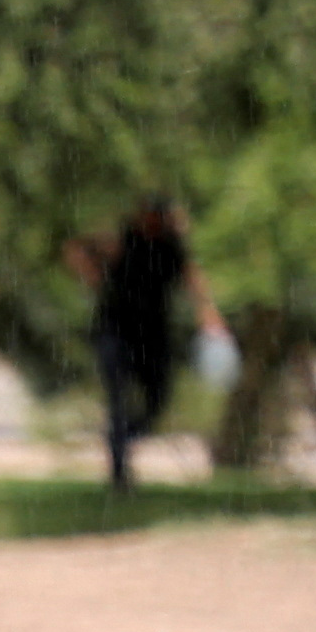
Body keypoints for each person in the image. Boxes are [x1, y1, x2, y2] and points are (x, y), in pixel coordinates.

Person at [91, 195, 212, 491]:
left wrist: (209, 314)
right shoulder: (124, 238)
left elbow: (191, 276)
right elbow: (79, 246)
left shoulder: (172, 246)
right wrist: (96, 280)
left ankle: (120, 439)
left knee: (158, 399)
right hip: (114, 330)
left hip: (152, 334)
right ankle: (119, 470)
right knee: (117, 399)